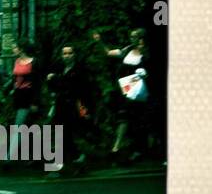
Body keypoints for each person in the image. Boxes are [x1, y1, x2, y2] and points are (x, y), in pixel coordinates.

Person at [103, 28, 150, 159]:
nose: (132, 39)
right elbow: (109, 53)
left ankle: (121, 147)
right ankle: (121, 147)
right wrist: (99, 41)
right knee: (129, 117)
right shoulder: (128, 49)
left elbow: (147, 71)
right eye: (131, 36)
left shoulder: (145, 52)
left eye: (135, 37)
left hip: (138, 88)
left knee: (133, 118)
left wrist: (142, 75)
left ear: (141, 38)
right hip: (126, 87)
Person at [45, 44, 93, 168]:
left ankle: (76, 157)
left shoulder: (79, 69)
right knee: (63, 132)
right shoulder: (59, 68)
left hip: (75, 104)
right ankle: (72, 158)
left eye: (69, 53)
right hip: (61, 104)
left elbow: (79, 88)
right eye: (64, 53)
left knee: (74, 131)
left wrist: (85, 109)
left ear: (74, 54)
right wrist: (52, 80)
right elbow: (53, 86)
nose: (67, 56)